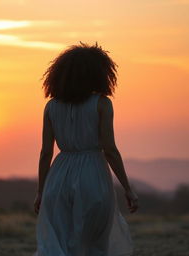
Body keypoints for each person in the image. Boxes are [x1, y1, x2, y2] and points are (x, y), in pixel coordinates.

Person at [33, 42, 139, 256]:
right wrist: (127, 188)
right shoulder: (102, 104)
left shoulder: (51, 107)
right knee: (93, 242)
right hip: (93, 173)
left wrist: (41, 191)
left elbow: (46, 153)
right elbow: (110, 149)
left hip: (59, 176)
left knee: (61, 242)